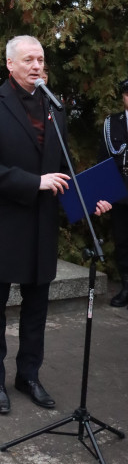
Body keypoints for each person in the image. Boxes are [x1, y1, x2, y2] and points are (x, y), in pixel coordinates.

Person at [0, 35, 110, 414]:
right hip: (3, 226)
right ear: (10, 65)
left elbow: (61, 170)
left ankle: (28, 375)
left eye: (41, 59)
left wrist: (87, 200)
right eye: (28, 59)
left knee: (36, 311)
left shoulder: (54, 107)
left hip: (40, 228)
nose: (36, 66)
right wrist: (34, 183)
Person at [99, 78, 128, 307]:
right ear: (123, 97)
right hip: (121, 194)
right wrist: (105, 194)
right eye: (127, 94)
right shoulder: (112, 123)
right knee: (122, 243)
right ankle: (126, 288)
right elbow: (104, 160)